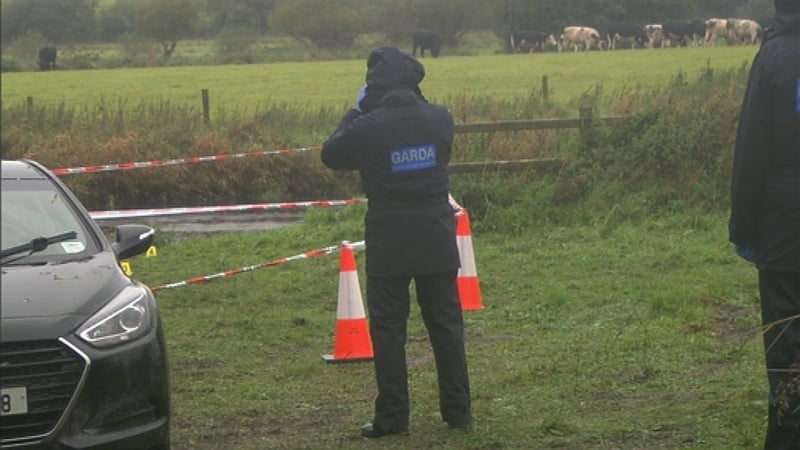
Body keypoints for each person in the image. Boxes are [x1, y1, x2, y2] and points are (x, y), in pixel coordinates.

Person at [321, 46, 471, 438]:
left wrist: (356, 111)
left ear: (374, 86)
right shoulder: (441, 118)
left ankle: (393, 417)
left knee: (389, 331)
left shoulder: (370, 126)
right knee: (446, 325)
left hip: (389, 237)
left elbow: (331, 154)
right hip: (435, 232)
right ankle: (458, 412)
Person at [728, 1, 800, 448]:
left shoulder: (774, 56)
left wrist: (744, 228)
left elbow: (752, 148)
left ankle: (789, 435)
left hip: (786, 227)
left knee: (787, 336)